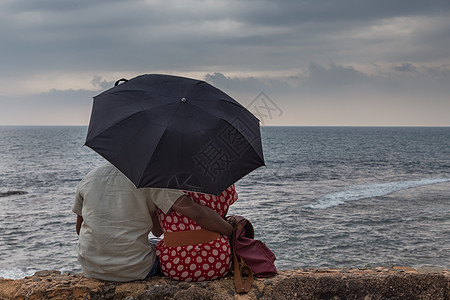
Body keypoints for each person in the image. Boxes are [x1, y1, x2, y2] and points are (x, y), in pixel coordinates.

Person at [73, 163, 232, 282]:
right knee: (158, 247)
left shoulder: (88, 179)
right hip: (135, 270)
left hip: (91, 268)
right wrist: (231, 230)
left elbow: (79, 229)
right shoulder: (150, 179)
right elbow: (196, 213)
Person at [155, 185, 238, 282]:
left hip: (174, 265)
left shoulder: (159, 184)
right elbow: (219, 220)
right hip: (218, 261)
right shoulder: (220, 176)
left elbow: (157, 231)